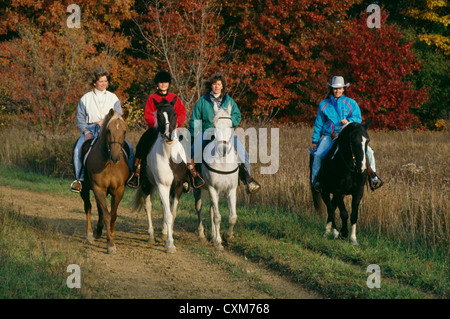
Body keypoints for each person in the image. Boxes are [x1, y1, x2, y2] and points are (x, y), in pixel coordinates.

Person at [188, 72, 261, 194]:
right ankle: (189, 180)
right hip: (208, 132)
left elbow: (237, 115)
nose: (216, 86)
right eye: (214, 84)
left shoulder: (229, 101)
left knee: (244, 154)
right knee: (192, 151)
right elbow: (195, 119)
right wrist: (193, 135)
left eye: (219, 84)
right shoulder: (203, 101)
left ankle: (247, 181)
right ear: (211, 86)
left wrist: (228, 122)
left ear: (222, 86)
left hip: (226, 133)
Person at [310, 76, 384, 191]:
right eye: (335, 88)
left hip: (348, 137)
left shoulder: (351, 103)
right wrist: (315, 140)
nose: (337, 91)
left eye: (339, 88)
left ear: (344, 89)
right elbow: (318, 124)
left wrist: (348, 122)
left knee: (369, 151)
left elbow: (358, 119)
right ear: (331, 89)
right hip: (331, 136)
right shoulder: (323, 104)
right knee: (319, 154)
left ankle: (373, 177)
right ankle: (316, 180)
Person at [71, 67, 134, 193]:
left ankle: (131, 176)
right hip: (90, 129)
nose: (104, 84)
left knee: (129, 149)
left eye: (106, 81)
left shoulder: (113, 98)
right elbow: (80, 119)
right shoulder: (85, 98)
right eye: (101, 81)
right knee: (78, 149)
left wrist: (106, 123)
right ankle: (79, 179)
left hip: (109, 131)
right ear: (95, 83)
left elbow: (119, 117)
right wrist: (86, 132)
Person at [127, 70, 192, 188]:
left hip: (174, 127)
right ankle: (136, 172)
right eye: (161, 83)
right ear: (157, 84)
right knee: (142, 142)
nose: (163, 85)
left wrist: (177, 125)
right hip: (157, 128)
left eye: (165, 82)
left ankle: (190, 173)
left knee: (187, 141)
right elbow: (148, 114)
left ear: (169, 84)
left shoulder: (174, 98)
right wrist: (158, 125)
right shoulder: (152, 98)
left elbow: (181, 112)